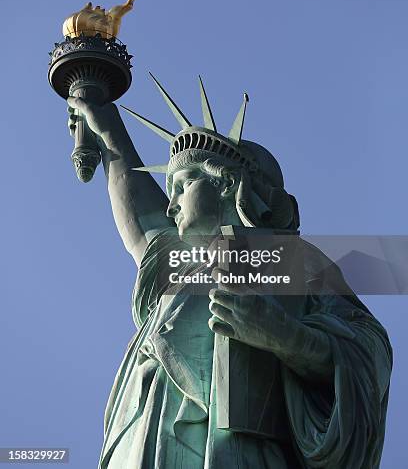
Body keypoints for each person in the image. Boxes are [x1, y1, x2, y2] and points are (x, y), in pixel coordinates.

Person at [67, 77, 392, 469]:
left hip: (241, 446)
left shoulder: (288, 258)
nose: (170, 207)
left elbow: (370, 352)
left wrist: (285, 336)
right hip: (144, 435)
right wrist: (106, 126)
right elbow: (139, 212)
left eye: (182, 185)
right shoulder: (179, 265)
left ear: (227, 182)